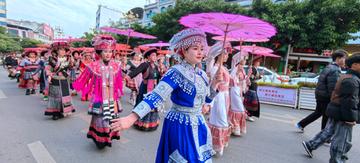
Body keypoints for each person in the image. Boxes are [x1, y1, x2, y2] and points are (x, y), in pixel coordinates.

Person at [110, 28, 223, 162]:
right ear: (184, 51)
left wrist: (214, 84)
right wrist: (132, 117)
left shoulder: (202, 75)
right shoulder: (176, 72)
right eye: (195, 48)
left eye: (201, 48)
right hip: (180, 125)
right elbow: (156, 96)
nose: (200, 52)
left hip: (199, 123)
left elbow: (206, 99)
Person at [302, 53, 360, 162]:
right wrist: (350, 118)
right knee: (342, 141)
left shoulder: (346, 75)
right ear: (355, 65)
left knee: (329, 131)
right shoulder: (350, 79)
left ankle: (311, 145)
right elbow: (349, 101)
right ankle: (337, 160)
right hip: (341, 112)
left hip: (335, 108)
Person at [73, 34, 123, 149]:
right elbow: (84, 78)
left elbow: (119, 81)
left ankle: (110, 136)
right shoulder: (93, 66)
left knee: (111, 117)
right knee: (100, 118)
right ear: (100, 52)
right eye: (105, 51)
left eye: (110, 51)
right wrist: (80, 86)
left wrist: (117, 92)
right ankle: (99, 139)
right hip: (99, 98)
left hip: (112, 98)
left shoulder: (116, 65)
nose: (108, 54)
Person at [296, 50, 347, 132]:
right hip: (326, 97)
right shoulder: (335, 70)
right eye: (344, 58)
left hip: (320, 95)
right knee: (326, 115)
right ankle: (324, 136)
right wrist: (334, 98)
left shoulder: (329, 67)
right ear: (338, 59)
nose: (345, 60)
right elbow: (332, 87)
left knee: (318, 112)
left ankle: (301, 124)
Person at [206, 41, 232, 156]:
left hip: (226, 96)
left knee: (222, 119)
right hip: (218, 96)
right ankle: (216, 145)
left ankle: (217, 143)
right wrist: (217, 79)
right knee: (219, 120)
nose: (227, 56)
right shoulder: (215, 68)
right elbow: (212, 84)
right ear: (219, 55)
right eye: (225, 54)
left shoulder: (225, 68)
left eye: (227, 54)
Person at [127, 48, 161, 131]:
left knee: (152, 105)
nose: (155, 57)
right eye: (153, 55)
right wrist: (127, 77)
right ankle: (139, 123)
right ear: (148, 57)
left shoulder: (156, 66)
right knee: (142, 104)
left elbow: (158, 77)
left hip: (153, 88)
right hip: (145, 88)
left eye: (155, 55)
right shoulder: (145, 65)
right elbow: (136, 71)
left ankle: (150, 124)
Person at [44, 41, 75, 120]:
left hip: (64, 79)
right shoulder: (52, 59)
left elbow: (71, 68)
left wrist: (72, 61)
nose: (63, 51)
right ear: (56, 51)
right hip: (55, 79)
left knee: (64, 96)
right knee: (56, 97)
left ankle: (63, 111)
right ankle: (55, 112)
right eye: (61, 49)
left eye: (64, 50)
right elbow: (48, 69)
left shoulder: (68, 59)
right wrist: (49, 76)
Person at [229, 52, 249, 136]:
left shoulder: (243, 69)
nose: (245, 61)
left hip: (239, 90)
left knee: (238, 109)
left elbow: (244, 80)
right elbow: (231, 79)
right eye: (243, 59)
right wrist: (236, 74)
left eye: (245, 59)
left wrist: (249, 74)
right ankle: (234, 126)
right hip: (234, 89)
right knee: (238, 109)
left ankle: (235, 128)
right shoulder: (236, 68)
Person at [245, 56, 262, 122]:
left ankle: (248, 114)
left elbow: (255, 77)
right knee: (251, 101)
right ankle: (248, 115)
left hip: (254, 86)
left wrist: (260, 76)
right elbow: (251, 78)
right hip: (252, 86)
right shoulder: (252, 69)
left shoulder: (255, 69)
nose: (259, 63)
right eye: (258, 62)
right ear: (254, 62)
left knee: (252, 101)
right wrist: (258, 77)